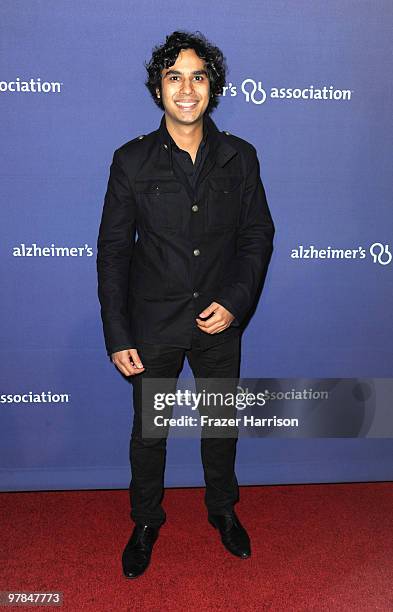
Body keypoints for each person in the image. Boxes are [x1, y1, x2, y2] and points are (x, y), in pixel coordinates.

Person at [96, 30, 275, 579]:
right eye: (175, 77)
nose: (187, 88)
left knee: (221, 427)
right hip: (153, 325)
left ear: (212, 86)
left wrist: (236, 303)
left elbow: (257, 237)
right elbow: (112, 253)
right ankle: (146, 520)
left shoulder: (239, 158)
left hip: (220, 322)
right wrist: (118, 333)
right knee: (150, 433)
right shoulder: (130, 161)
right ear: (159, 89)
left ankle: (222, 510)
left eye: (198, 76)